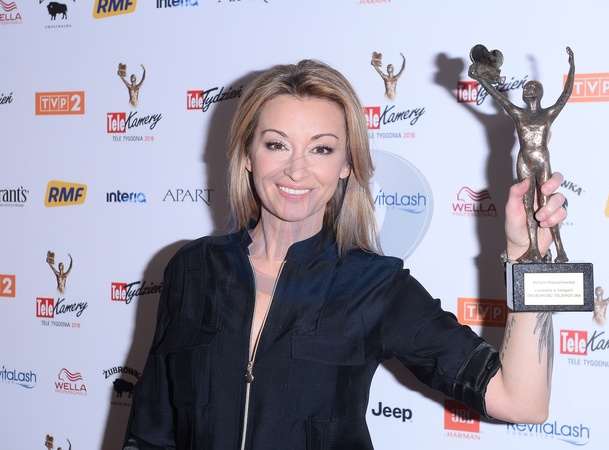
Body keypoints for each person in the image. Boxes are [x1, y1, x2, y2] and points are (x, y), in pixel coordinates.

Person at [123, 59, 567, 450]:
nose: (296, 169)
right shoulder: (193, 269)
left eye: (321, 148)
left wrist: (525, 256)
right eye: (277, 144)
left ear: (347, 164)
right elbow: (151, 432)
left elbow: (521, 401)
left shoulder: (374, 285)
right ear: (247, 155)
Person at [470, 47, 574, 263]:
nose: (528, 90)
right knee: (528, 206)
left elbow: (566, 94)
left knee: (546, 204)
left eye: (532, 87)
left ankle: (560, 251)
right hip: (523, 160)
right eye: (526, 88)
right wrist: (481, 79)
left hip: (542, 159)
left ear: (540, 93)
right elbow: (497, 97)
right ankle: (532, 249)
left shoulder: (548, 114)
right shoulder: (517, 114)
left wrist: (572, 66)